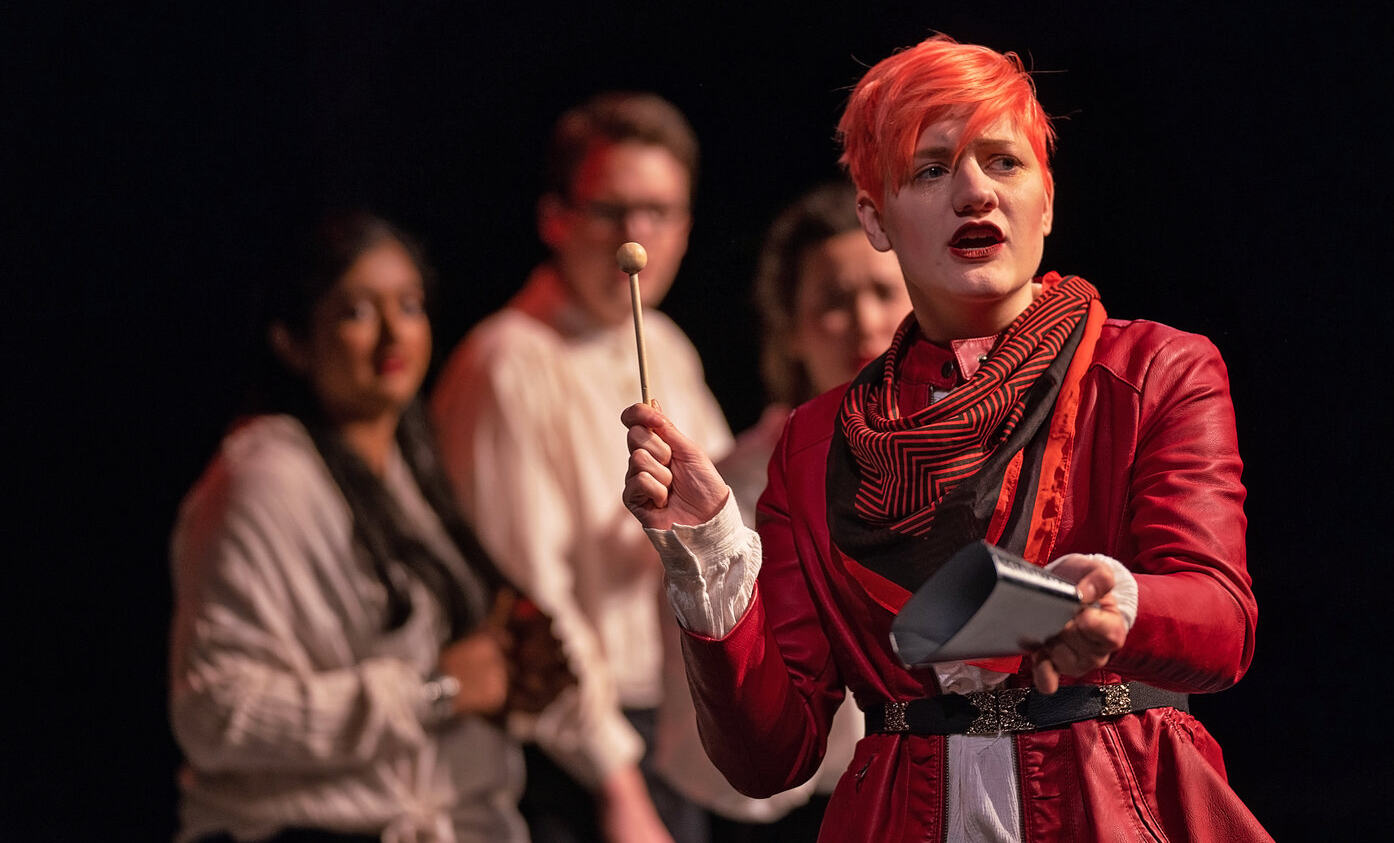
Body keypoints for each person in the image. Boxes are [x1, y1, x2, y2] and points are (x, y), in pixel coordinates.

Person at [621, 35, 1272, 843]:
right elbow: (770, 757)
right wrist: (710, 546)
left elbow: (1221, 622)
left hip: (1113, 808)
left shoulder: (1154, 370)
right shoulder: (816, 442)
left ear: (1047, 197)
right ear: (875, 218)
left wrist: (1118, 607)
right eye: (931, 170)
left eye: (1003, 162)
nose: (974, 193)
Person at [169, 211, 570, 843]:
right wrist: (434, 691)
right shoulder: (266, 479)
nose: (394, 335)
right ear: (291, 340)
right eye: (357, 312)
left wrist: (517, 673)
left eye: (410, 306)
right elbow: (214, 714)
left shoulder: (411, 468)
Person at [430, 92, 732, 843]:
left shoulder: (667, 346)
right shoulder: (508, 362)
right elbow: (530, 596)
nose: (636, 234)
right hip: (576, 750)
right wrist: (616, 781)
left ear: (686, 227)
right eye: (610, 210)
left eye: (659, 211)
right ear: (555, 219)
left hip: (673, 717)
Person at [654, 182, 910, 842]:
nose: (864, 321)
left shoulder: (952, 453)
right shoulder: (735, 484)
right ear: (791, 328)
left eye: (885, 291)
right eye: (833, 300)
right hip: (790, 812)